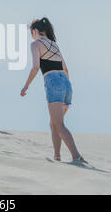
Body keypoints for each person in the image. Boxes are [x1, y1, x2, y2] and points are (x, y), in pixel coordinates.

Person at [20, 17, 87, 164]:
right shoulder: (55, 45)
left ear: (35, 31)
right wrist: (66, 87)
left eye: (31, 33)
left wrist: (26, 86)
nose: (31, 36)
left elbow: (36, 67)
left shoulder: (36, 44)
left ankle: (77, 157)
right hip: (66, 84)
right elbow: (66, 69)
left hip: (53, 82)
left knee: (59, 125)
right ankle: (57, 156)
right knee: (54, 123)